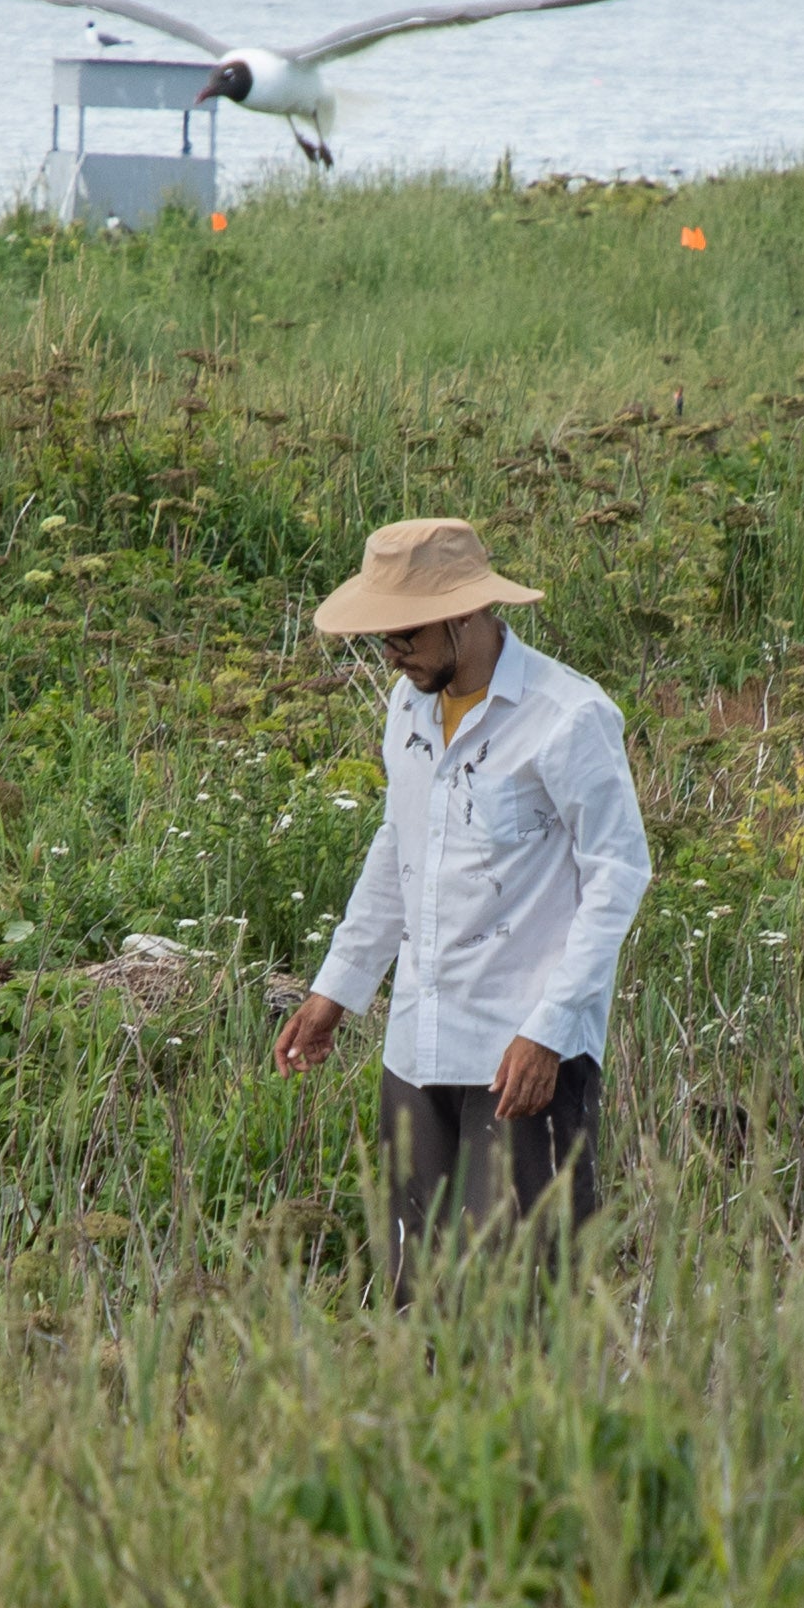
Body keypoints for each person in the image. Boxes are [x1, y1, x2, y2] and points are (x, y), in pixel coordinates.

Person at [271, 517, 656, 1300]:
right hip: (417, 1044)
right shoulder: (407, 706)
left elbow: (619, 875)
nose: (391, 655)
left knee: (517, 1293)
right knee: (419, 1287)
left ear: (465, 614)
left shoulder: (568, 716)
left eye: (404, 634)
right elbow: (397, 845)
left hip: (523, 1056)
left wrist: (548, 1032)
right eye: (380, 639)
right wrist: (334, 990)